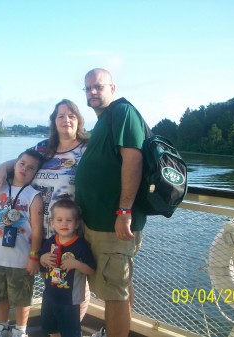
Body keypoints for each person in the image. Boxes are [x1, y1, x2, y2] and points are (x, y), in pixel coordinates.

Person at [0, 99, 91, 320]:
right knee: (53, 281)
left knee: (74, 286)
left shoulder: (88, 148)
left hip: (69, 230)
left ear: (79, 120)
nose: (66, 120)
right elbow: (19, 162)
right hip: (41, 230)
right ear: (54, 121)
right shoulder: (45, 148)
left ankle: (73, 330)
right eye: (61, 116)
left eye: (71, 115)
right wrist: (0, 169)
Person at [75, 68, 147, 337]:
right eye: (88, 88)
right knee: (119, 287)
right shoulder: (103, 123)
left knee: (115, 292)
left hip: (113, 223)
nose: (93, 92)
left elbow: (133, 159)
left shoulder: (123, 112)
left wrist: (124, 210)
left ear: (112, 89)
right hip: (98, 223)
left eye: (99, 86)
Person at [0, 149, 44, 337]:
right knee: (0, 295)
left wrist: (33, 257)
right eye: (22, 163)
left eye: (31, 168)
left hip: (21, 259)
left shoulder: (33, 196)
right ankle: (1, 327)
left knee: (22, 297)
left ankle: (20, 330)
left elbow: (38, 231)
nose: (24, 169)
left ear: (34, 173)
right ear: (14, 164)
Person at [39, 199, 95, 337]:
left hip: (70, 301)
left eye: (69, 220)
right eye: (59, 219)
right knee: (51, 329)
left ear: (76, 224)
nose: (64, 223)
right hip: (50, 297)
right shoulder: (50, 241)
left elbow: (91, 270)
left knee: (70, 332)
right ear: (52, 223)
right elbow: (41, 262)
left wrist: (76, 264)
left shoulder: (81, 246)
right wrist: (42, 259)